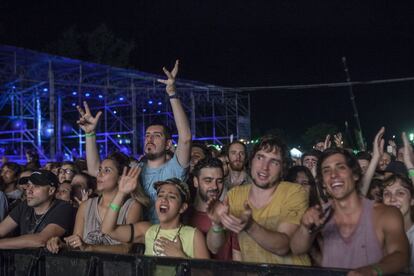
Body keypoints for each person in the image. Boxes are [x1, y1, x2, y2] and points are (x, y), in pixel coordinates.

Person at [77, 60, 191, 224]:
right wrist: (90, 134)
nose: (149, 138)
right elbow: (96, 170)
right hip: (135, 235)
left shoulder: (175, 169)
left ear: (168, 144)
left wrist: (172, 94)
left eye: (156, 135)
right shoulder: (135, 169)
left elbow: (186, 138)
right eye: (147, 135)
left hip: (164, 236)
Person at [290, 148, 409, 275]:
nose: (333, 175)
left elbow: (401, 256)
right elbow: (296, 249)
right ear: (323, 182)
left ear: (355, 175)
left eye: (340, 167)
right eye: (326, 171)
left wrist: (373, 271)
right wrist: (305, 227)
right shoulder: (320, 215)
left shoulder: (385, 214)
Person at [207, 135, 310, 265]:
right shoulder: (235, 195)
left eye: (274, 162)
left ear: (282, 169)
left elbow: (284, 246)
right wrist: (216, 225)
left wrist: (250, 226)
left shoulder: (294, 192)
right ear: (251, 161)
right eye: (260, 157)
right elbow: (214, 247)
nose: (264, 167)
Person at [47, 152, 146, 254]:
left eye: (107, 170)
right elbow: (76, 245)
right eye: (99, 170)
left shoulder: (132, 207)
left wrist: (90, 247)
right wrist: (61, 245)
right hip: (88, 267)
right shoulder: (85, 206)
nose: (100, 174)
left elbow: (127, 249)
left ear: (120, 178)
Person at [101, 168, 209, 260]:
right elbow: (108, 229)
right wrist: (121, 193)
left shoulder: (194, 235)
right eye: (161, 195)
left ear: (182, 207)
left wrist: (180, 256)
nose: (164, 199)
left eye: (172, 197)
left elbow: (207, 273)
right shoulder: (147, 230)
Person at [0, 170, 75, 249]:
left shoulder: (64, 208)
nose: (29, 190)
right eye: (28, 185)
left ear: (51, 191)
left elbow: (41, 240)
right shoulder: (24, 206)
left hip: (50, 261)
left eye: (36, 186)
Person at [186, 157, 234, 260]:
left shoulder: (230, 212)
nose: (215, 186)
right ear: (195, 182)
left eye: (219, 181)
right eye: (208, 181)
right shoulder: (184, 214)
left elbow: (215, 249)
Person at [382, 174, 414, 273]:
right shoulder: (376, 233)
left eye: (400, 193)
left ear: (412, 200)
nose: (392, 199)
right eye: (387, 194)